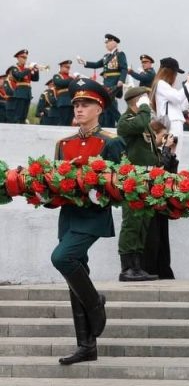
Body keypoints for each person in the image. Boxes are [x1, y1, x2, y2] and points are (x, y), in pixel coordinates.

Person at [51, 79, 125, 365]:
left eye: (86, 104)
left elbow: (121, 183)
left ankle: (96, 305)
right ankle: (86, 345)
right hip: (68, 215)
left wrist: (100, 191)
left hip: (93, 216)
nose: (80, 109)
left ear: (99, 108)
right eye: (77, 104)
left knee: (62, 258)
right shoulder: (63, 144)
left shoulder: (110, 142)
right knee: (75, 272)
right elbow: (55, 180)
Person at [116, 87, 161, 282]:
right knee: (132, 223)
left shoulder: (143, 122)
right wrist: (144, 108)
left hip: (147, 177)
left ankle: (137, 266)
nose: (149, 103)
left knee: (143, 223)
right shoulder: (126, 121)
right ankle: (127, 268)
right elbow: (141, 121)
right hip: (133, 179)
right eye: (145, 99)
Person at [142, 122, 178, 279]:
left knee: (162, 241)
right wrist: (165, 150)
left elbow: (171, 175)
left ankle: (162, 270)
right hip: (148, 203)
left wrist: (172, 153)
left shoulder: (159, 152)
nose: (165, 139)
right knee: (152, 240)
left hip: (161, 203)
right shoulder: (146, 152)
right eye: (162, 136)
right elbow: (157, 170)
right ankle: (150, 270)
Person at [78, 34, 127, 128]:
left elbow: (124, 68)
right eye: (106, 43)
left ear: (114, 42)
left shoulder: (120, 54)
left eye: (108, 42)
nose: (106, 45)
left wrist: (121, 80)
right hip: (106, 82)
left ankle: (122, 123)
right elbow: (97, 64)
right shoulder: (106, 56)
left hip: (115, 82)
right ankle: (113, 124)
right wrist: (85, 62)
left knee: (109, 103)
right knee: (108, 104)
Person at [151, 57, 189, 149]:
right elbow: (178, 98)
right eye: (175, 73)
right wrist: (188, 84)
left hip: (174, 123)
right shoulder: (161, 84)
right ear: (169, 73)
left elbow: (185, 105)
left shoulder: (165, 87)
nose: (176, 76)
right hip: (172, 124)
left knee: (173, 158)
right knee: (171, 157)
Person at [6, 49, 40, 124]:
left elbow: (35, 79)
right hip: (20, 93)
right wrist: (29, 68)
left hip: (27, 93)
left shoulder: (26, 69)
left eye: (26, 58)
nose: (25, 59)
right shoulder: (14, 68)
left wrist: (36, 70)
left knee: (24, 116)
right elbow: (19, 76)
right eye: (23, 57)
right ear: (18, 58)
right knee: (18, 115)